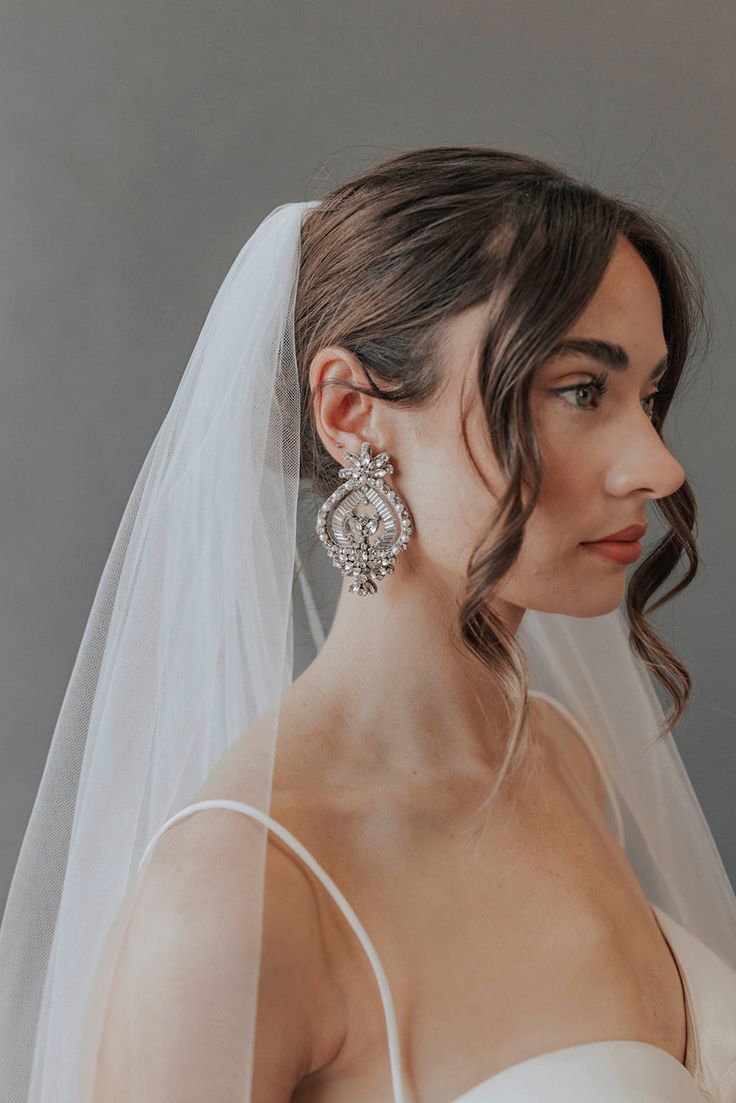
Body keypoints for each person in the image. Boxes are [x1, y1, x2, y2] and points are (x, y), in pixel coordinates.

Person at [1, 147, 735, 1103]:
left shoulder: (557, 754)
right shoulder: (239, 894)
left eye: (645, 395)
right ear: (353, 412)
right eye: (581, 391)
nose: (659, 466)